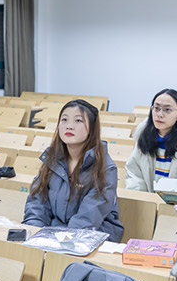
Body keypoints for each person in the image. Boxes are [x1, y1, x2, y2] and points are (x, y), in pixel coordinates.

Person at [23, 99, 124, 242]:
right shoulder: (52, 159)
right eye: (64, 120)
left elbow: (88, 219)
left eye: (78, 121)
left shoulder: (106, 168)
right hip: (53, 236)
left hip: (91, 237)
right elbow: (37, 203)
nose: (69, 126)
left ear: (92, 128)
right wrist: (34, 232)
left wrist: (59, 241)